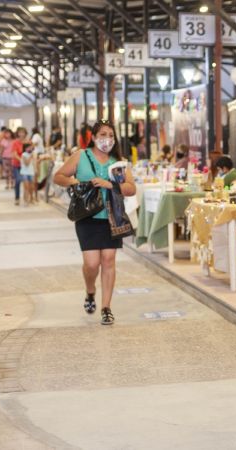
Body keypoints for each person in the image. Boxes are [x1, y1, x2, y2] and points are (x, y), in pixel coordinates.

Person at [53, 120, 137, 326]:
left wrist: (111, 184)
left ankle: (106, 308)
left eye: (110, 134)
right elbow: (58, 176)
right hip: (87, 216)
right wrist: (75, 182)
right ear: (93, 136)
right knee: (91, 264)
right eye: (102, 134)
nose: (106, 138)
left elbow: (131, 189)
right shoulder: (81, 156)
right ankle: (90, 290)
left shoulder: (119, 161)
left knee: (108, 259)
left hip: (112, 216)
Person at [11, 127, 28, 206]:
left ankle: (26, 199)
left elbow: (31, 152)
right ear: (17, 133)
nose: (21, 134)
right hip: (17, 164)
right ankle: (17, 198)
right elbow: (14, 154)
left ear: (25, 133)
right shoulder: (15, 142)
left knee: (26, 182)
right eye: (20, 132)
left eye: (23, 132)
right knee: (18, 180)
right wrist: (21, 160)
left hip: (26, 165)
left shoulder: (28, 142)